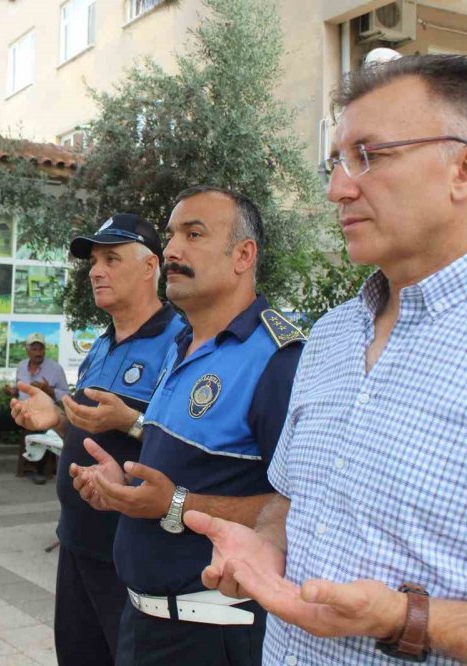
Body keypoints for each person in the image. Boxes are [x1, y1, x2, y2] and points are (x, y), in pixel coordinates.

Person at [185, 54, 467, 665]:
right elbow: (289, 499)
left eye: (370, 155)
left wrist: (406, 619)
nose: (338, 189)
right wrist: (265, 546)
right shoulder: (329, 337)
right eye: (335, 161)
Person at [74, 188, 305, 666]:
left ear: (244, 255)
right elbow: (185, 469)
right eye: (172, 235)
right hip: (143, 621)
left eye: (194, 234)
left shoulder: (277, 359)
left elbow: (306, 508)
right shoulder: (183, 346)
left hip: (214, 631)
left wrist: (176, 505)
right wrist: (126, 489)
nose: (172, 250)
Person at [12, 212, 186, 666]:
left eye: (112, 258)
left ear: (151, 267)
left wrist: (130, 419)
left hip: (131, 553)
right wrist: (53, 418)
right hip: (76, 540)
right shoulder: (101, 345)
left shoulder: (181, 342)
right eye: (93, 260)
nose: (96, 270)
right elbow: (87, 431)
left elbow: (188, 449)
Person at [0, 333, 69, 483]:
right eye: (34, 349)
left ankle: (39, 470)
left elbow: (66, 394)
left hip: (42, 412)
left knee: (46, 427)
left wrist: (49, 391)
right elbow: (20, 390)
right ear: (27, 350)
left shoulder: (55, 368)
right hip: (22, 409)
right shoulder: (22, 365)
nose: (38, 353)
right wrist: (13, 391)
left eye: (41, 349)